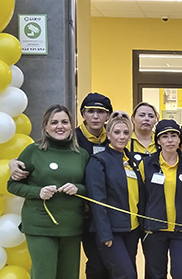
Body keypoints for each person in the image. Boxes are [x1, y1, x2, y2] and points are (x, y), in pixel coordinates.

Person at [9, 93, 112, 279]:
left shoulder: (80, 154)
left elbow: (91, 187)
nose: (60, 127)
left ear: (71, 126)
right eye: (54, 122)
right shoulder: (34, 150)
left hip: (72, 226)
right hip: (40, 226)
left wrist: (78, 188)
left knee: (69, 275)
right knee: (44, 275)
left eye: (64, 122)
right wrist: (37, 192)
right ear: (46, 127)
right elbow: (13, 185)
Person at [138, 119, 182, 279]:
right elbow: (141, 197)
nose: (170, 140)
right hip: (154, 231)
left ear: (180, 139)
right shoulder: (145, 164)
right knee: (155, 274)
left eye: (174, 135)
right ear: (158, 141)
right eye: (165, 136)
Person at [85, 115, 141, 279]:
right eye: (117, 132)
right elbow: (97, 201)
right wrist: (105, 234)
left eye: (126, 132)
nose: (122, 136)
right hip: (111, 231)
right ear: (108, 135)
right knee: (126, 275)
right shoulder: (99, 161)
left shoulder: (131, 160)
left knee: (123, 273)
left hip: (132, 229)